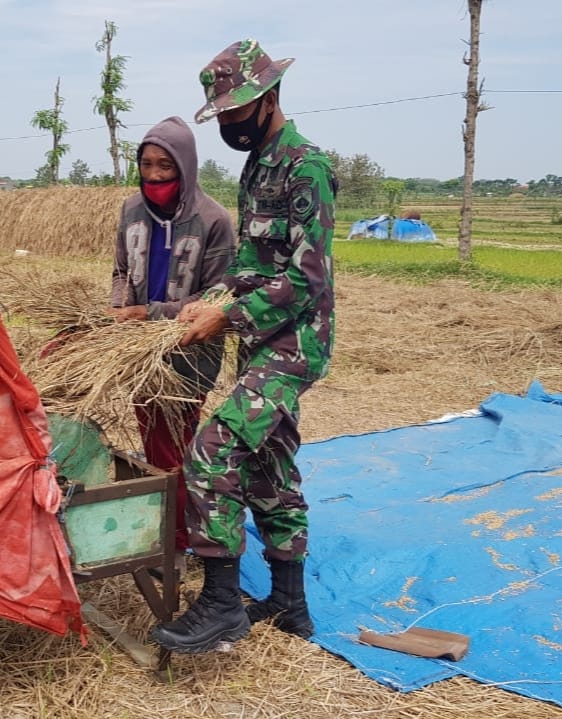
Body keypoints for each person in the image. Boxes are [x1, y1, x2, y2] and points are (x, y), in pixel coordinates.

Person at [150, 39, 337, 654]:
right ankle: (290, 602)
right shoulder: (257, 166)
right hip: (260, 339)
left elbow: (309, 279)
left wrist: (232, 315)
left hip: (295, 341)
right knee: (268, 460)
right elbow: (254, 264)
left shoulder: (304, 167)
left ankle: (222, 602)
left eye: (235, 111)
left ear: (270, 97)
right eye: (221, 115)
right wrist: (214, 299)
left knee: (214, 446)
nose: (228, 124)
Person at [109, 116, 235, 575]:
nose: (156, 175)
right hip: (138, 350)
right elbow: (122, 270)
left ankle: (178, 545)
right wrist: (120, 312)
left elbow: (219, 294)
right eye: (147, 164)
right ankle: (167, 530)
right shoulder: (131, 211)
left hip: (190, 352)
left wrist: (151, 313)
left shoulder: (213, 220)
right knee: (152, 438)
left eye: (167, 165)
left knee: (174, 446)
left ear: (186, 166)